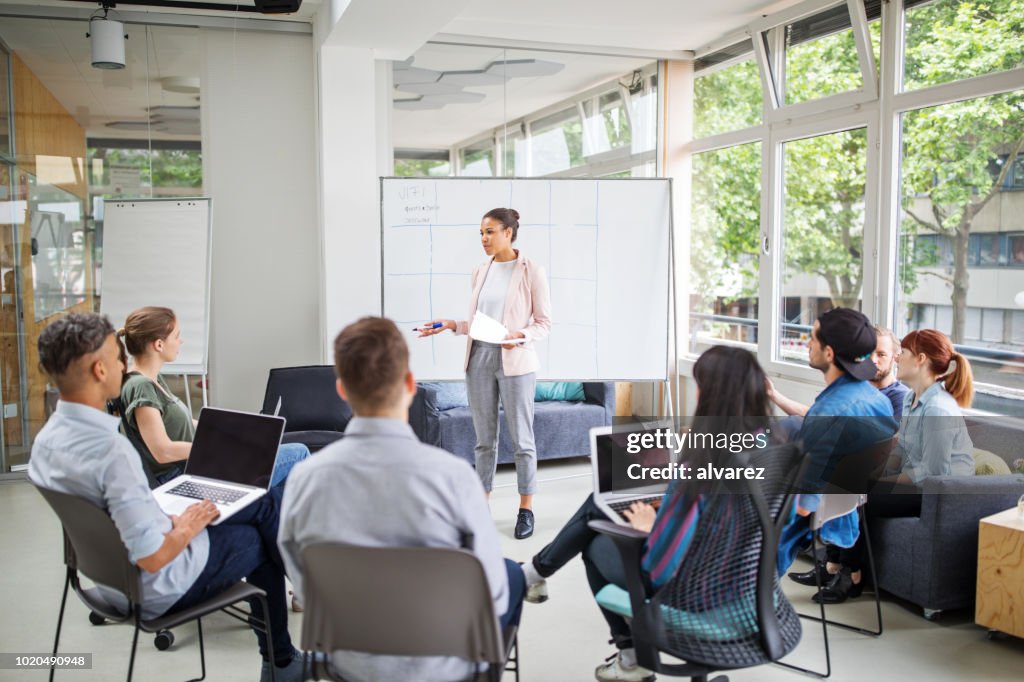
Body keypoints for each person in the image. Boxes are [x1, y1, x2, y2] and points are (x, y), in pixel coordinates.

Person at [28, 313, 308, 682]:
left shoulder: (46, 444)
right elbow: (154, 556)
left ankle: (289, 644)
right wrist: (187, 526)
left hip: (104, 577)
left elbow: (114, 518)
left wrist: (167, 519)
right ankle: (285, 657)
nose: (122, 365)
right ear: (99, 370)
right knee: (259, 531)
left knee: (257, 505)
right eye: (117, 358)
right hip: (156, 586)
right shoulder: (111, 453)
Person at [278, 316, 525, 682]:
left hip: (349, 664)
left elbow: (305, 585)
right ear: (410, 385)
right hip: (443, 666)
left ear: (342, 389)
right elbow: (492, 598)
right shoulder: (455, 478)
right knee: (511, 574)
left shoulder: (305, 479)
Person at [520, 345, 772, 682]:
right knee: (602, 504)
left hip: (692, 591)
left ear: (711, 395)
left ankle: (630, 655)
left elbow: (661, 564)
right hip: (746, 586)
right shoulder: (770, 449)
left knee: (595, 540)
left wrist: (649, 527)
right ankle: (538, 572)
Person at [809, 329, 975, 603]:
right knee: (846, 482)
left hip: (940, 494)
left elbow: (933, 473)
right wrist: (871, 472)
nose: (899, 358)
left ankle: (851, 574)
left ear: (920, 359)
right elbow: (902, 449)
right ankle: (835, 565)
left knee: (860, 498)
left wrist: (883, 481)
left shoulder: (938, 409)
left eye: (905, 353)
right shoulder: (913, 399)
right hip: (921, 483)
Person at [418, 208, 552, 539]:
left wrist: (518, 336)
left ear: (508, 232)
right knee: (484, 440)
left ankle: (526, 509)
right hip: (478, 356)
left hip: (516, 360)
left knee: (522, 439)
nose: (484, 239)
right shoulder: (480, 271)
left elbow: (544, 323)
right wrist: (452, 324)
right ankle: (481, 507)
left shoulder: (532, 270)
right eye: (481, 233)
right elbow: (480, 323)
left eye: (490, 232)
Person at [117, 306, 309, 487]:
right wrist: (216, 448)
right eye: (177, 336)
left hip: (202, 465)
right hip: (189, 474)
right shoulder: (140, 386)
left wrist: (227, 430)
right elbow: (162, 451)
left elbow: (180, 422)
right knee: (298, 453)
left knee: (272, 472)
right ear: (159, 344)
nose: (180, 341)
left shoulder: (153, 379)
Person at [784, 308, 899, 602]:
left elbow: (802, 507)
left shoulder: (828, 412)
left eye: (812, 339)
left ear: (830, 353)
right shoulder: (876, 400)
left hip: (812, 515)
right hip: (849, 504)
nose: (807, 344)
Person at [769, 325, 911, 420]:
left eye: (881, 355)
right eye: (868, 354)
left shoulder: (901, 397)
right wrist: (773, 394)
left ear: (895, 357)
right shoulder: (853, 388)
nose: (873, 360)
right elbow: (814, 416)